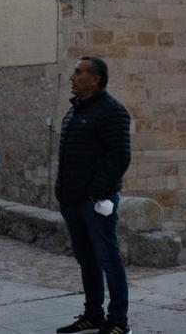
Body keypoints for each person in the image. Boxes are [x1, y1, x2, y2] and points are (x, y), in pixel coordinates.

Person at [54, 57, 132, 334]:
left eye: (78, 73)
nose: (72, 77)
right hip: (71, 200)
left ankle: (118, 321)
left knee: (108, 258)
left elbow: (120, 157)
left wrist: (95, 192)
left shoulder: (112, 111)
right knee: (86, 259)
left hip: (95, 202)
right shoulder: (75, 110)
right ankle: (92, 315)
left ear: (95, 79)